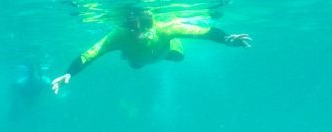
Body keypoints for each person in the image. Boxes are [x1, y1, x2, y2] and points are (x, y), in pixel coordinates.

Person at [51, 8, 251, 94]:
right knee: (135, 65)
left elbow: (203, 32)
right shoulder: (118, 35)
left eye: (143, 24)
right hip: (137, 57)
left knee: (179, 56)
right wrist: (69, 72)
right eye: (131, 25)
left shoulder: (166, 28)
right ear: (126, 23)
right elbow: (90, 54)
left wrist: (226, 39)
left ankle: (160, 50)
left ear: (150, 21)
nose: (137, 29)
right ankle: (128, 55)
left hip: (163, 51)